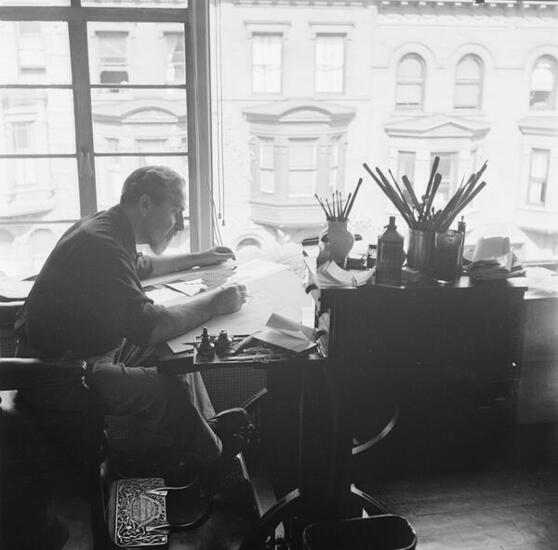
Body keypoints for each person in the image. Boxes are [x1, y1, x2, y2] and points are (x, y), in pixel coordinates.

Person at [15, 165, 249, 482]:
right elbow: (151, 327)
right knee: (166, 389)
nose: (179, 223)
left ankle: (204, 437)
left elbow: (143, 266)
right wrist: (215, 302)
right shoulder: (102, 246)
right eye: (175, 211)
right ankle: (215, 463)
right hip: (58, 374)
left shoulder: (107, 227)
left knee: (179, 355)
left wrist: (200, 257)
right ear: (145, 204)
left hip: (83, 353)